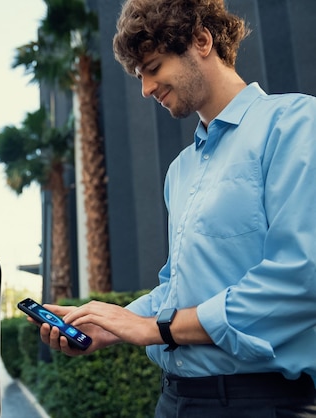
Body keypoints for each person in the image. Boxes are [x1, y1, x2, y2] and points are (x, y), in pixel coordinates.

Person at [32, 0, 316, 416]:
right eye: (139, 75)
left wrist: (156, 328)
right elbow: (176, 289)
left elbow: (301, 279)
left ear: (202, 41)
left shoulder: (295, 124)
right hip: (174, 401)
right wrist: (110, 325)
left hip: (262, 402)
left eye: (152, 68)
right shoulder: (180, 170)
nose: (146, 89)